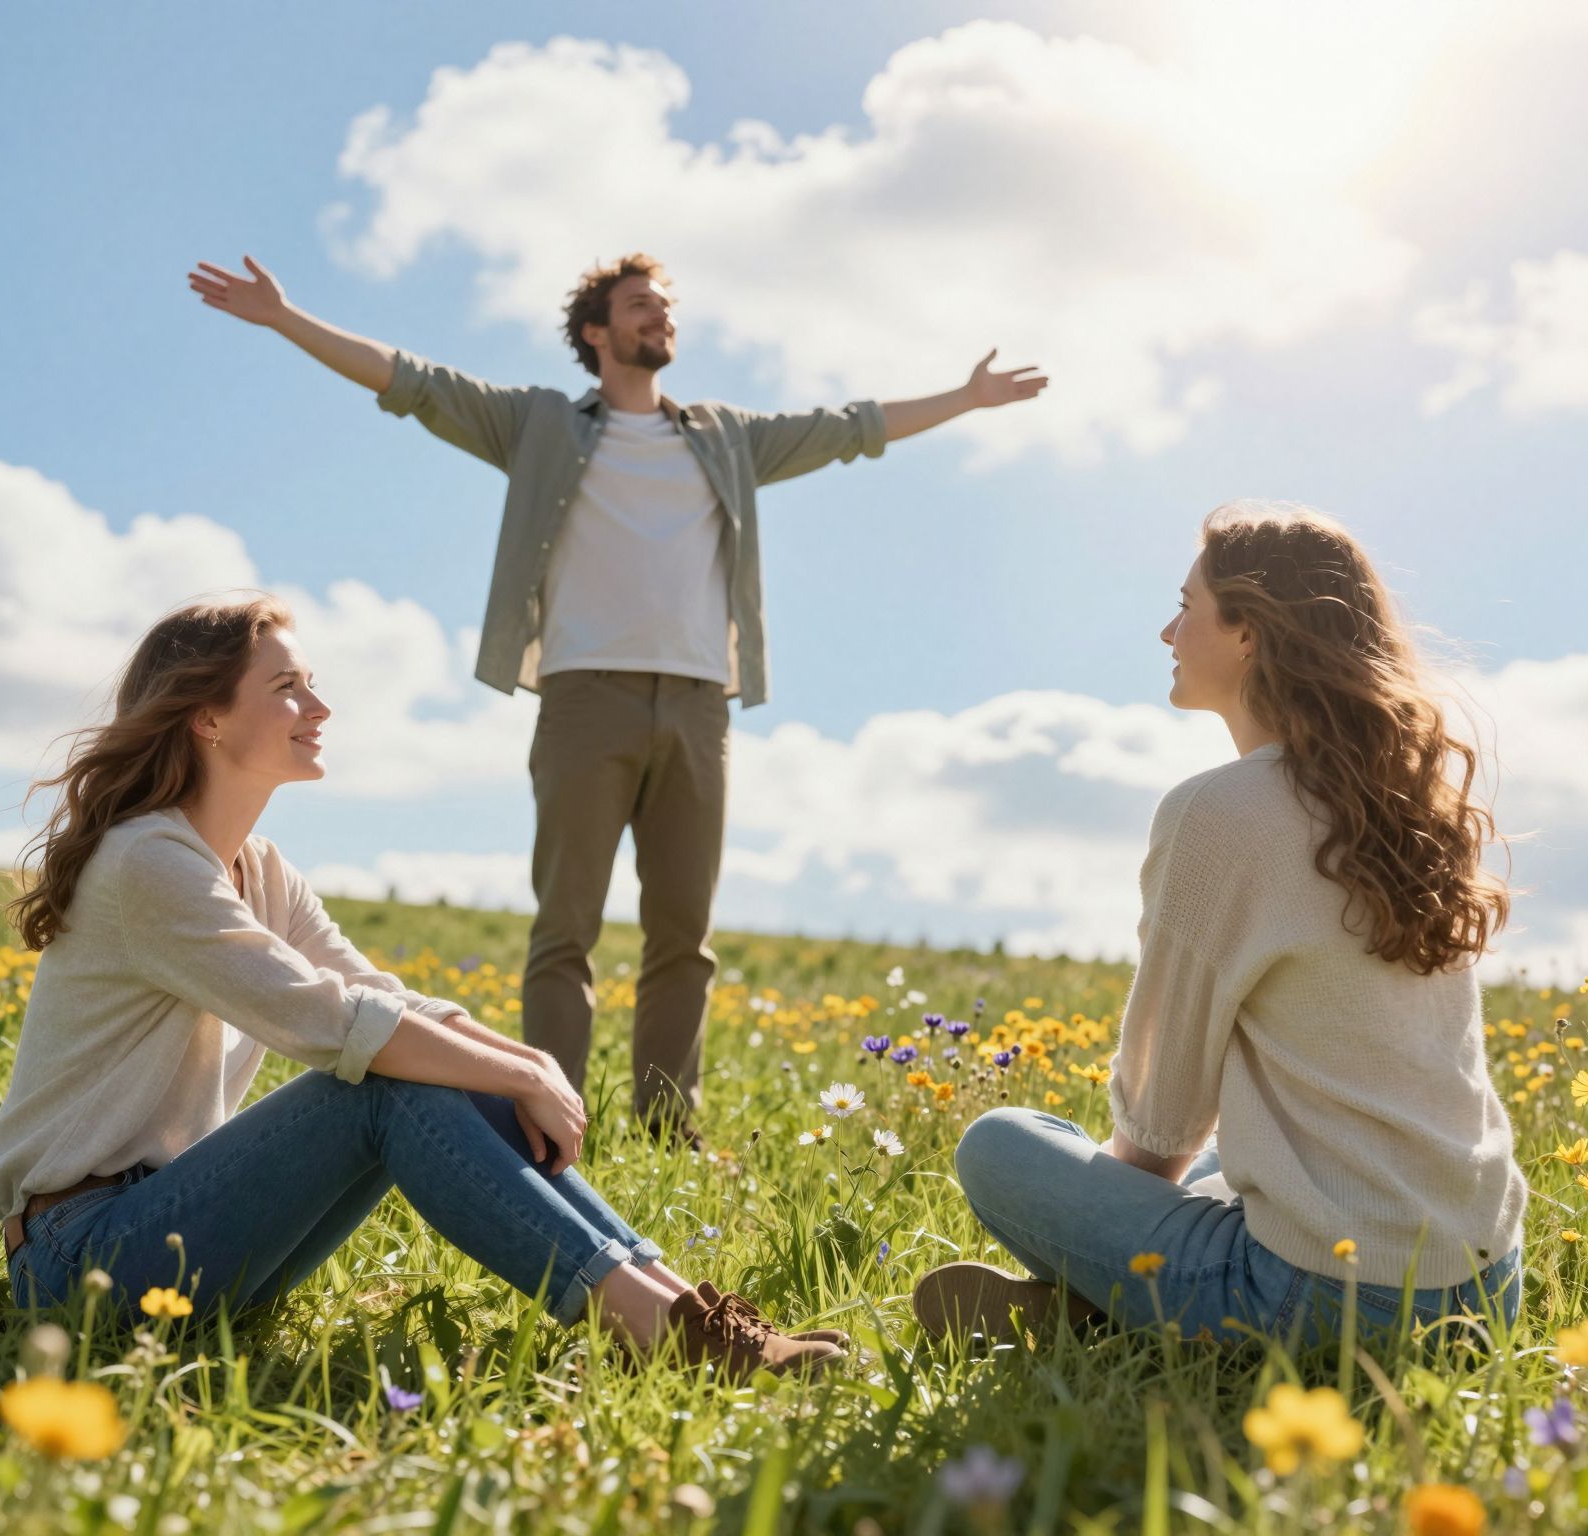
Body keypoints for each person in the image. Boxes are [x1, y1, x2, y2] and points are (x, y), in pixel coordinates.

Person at [187, 251, 1048, 1142]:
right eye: (641, 306)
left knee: (685, 935)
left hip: (698, 704)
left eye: (666, 307)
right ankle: (545, 1121)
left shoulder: (725, 436)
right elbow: (414, 382)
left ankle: (671, 1130)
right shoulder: (540, 426)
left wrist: (963, 397)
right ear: (596, 332)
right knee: (567, 928)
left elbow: (849, 429)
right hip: (583, 698)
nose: (660, 318)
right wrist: (287, 318)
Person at [0, 595, 848, 1380]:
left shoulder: (260, 869)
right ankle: (662, 1333)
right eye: (287, 687)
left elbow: (380, 994)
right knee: (387, 1086)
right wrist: (516, 1076)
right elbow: (336, 1020)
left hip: (183, 1237)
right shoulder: (147, 863)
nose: (319, 708)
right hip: (81, 1260)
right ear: (206, 716)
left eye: (312, 685)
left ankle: (687, 1314)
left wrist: (522, 1061)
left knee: (430, 1062)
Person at [912, 501, 1528, 1355]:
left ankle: (1088, 1310)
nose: (1168, 631)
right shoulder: (1407, 803)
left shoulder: (1222, 812)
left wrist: (1094, 1241)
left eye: (1187, 605)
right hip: (1486, 1285)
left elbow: (1165, 1114)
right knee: (1230, 1161)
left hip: (1321, 1298)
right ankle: (1102, 1312)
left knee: (1000, 1146)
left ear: (1249, 635)